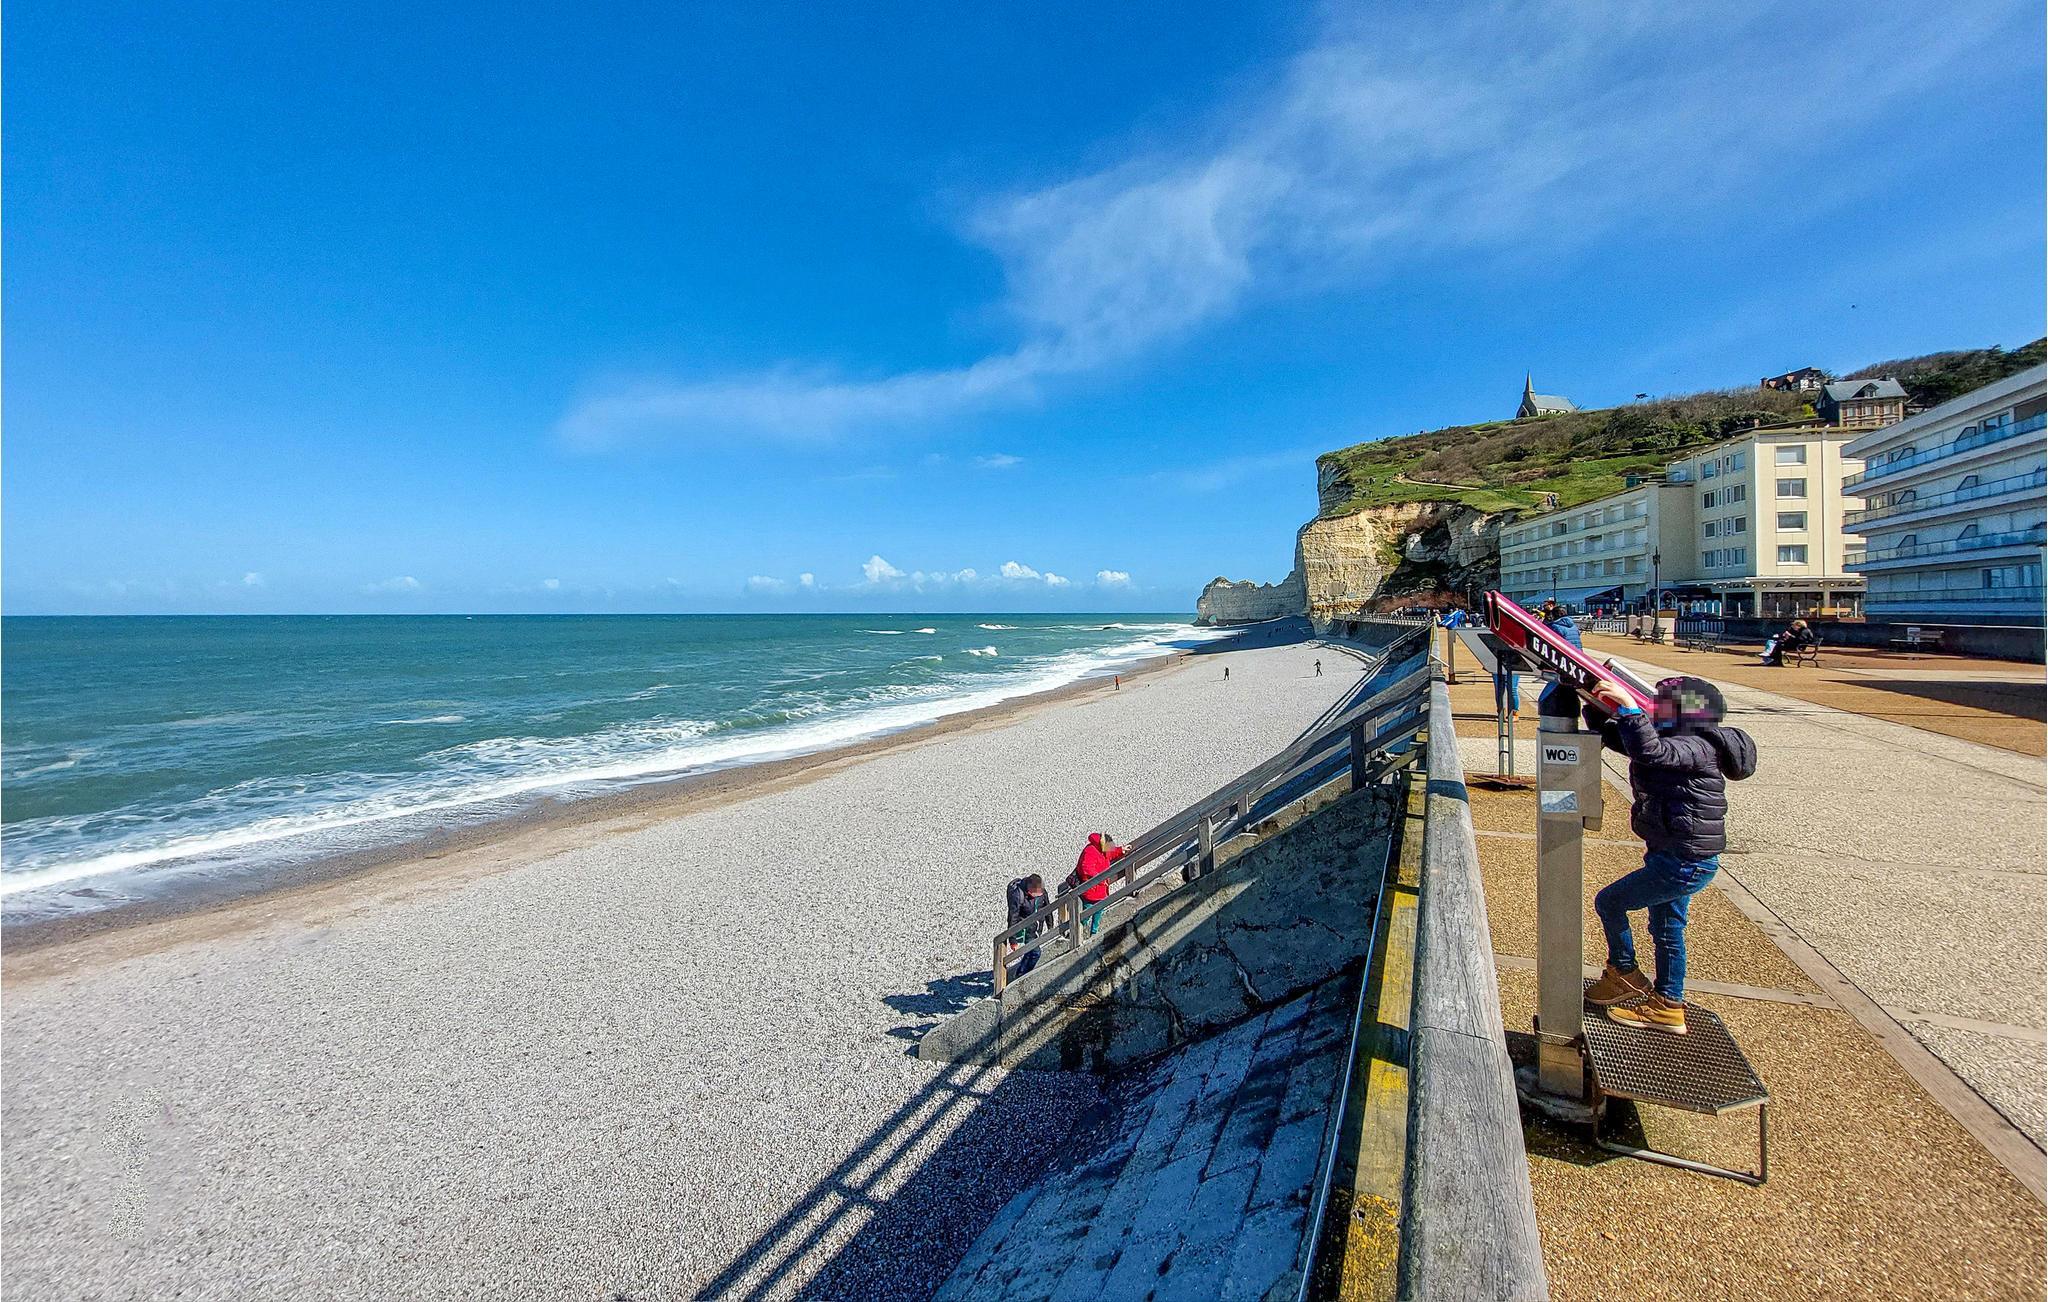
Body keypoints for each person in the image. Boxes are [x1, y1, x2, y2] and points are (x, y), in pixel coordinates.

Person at [1581, 676, 1758, 1034]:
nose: (1653, 708)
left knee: (1610, 902)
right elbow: (1628, 742)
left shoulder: (1698, 746)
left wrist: (1630, 709)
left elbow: (1652, 752)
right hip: (1676, 855)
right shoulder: (1677, 740)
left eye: (1660, 703)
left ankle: (1624, 972)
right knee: (1667, 929)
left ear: (1685, 711)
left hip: (1684, 862)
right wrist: (1595, 705)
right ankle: (1668, 1005)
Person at [1535, 602, 1583, 719]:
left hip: (1563, 660)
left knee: (1554, 686)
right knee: (1568, 687)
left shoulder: (1555, 627)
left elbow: (1544, 635)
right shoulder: (1573, 626)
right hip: (1577, 658)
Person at [1074, 833, 1126, 935]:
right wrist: (1100, 879)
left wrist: (1121, 850)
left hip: (1100, 889)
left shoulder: (1102, 849)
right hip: (1091, 889)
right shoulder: (1090, 850)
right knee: (1087, 911)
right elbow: (1086, 868)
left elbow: (1110, 853)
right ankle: (1077, 932)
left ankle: (1093, 932)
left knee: (1098, 910)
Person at [1005, 874, 1050, 978]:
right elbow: (1012, 917)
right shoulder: (1018, 895)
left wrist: (1050, 926)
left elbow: (1048, 908)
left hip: (1035, 927)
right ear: (1029, 890)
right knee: (1036, 953)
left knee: (1030, 951)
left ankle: (1020, 972)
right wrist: (1013, 940)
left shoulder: (1042, 892)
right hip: (1025, 928)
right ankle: (1024, 975)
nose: (1038, 895)